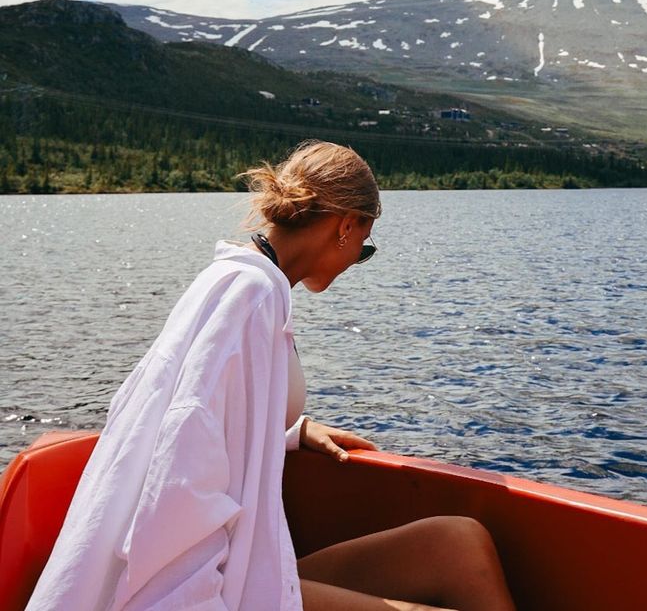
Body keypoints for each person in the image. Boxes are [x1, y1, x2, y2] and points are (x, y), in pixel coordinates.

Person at [26, 140, 516, 611]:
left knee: (460, 543)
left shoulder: (251, 281)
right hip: (203, 585)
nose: (354, 262)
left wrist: (288, 431)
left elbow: (201, 412)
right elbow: (179, 454)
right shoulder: (251, 292)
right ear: (346, 226)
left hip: (239, 563)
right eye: (363, 248)